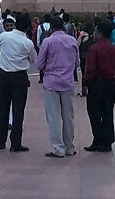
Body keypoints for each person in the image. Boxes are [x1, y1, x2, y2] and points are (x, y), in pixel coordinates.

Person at [35, 19, 80, 158]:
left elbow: (39, 64)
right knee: (68, 116)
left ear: (51, 28)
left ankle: (57, 148)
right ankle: (69, 147)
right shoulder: (72, 41)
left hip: (51, 82)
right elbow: (77, 62)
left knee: (53, 116)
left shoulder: (47, 42)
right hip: (67, 82)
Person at [0, 16, 37, 152]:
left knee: (2, 108)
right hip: (19, 77)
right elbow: (33, 59)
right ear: (27, 28)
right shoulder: (27, 42)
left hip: (4, 75)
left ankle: (1, 140)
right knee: (18, 110)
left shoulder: (4, 36)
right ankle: (15, 143)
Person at [84, 22, 115, 152]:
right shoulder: (114, 49)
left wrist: (87, 82)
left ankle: (98, 139)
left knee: (94, 112)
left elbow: (90, 69)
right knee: (107, 112)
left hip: (97, 83)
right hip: (110, 83)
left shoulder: (94, 49)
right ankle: (107, 141)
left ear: (99, 33)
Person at [77, 29, 93, 97]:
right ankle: (90, 89)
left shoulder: (82, 35)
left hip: (83, 55)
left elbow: (77, 44)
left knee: (84, 72)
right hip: (91, 55)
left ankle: (83, 89)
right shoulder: (94, 36)